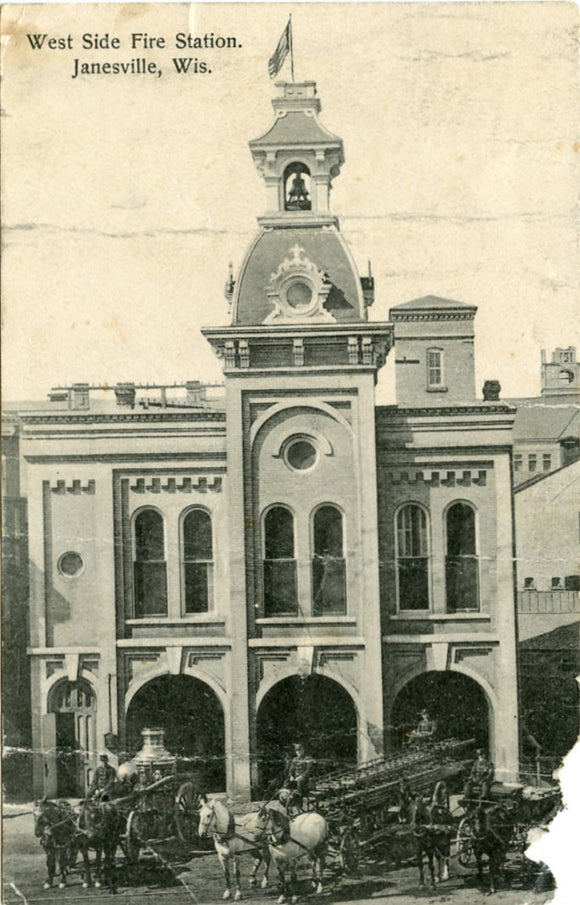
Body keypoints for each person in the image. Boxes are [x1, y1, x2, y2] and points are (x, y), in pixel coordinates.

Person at [283, 742, 313, 811]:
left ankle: (299, 803)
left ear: (303, 750)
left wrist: (301, 776)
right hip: (295, 778)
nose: (298, 752)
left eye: (300, 750)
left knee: (299, 783)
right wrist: (291, 776)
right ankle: (286, 800)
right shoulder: (295, 759)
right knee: (286, 782)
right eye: (297, 751)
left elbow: (309, 770)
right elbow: (291, 770)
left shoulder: (308, 758)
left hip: (305, 779)